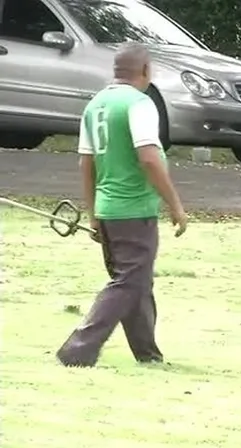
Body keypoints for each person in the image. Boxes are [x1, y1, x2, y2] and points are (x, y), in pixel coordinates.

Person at [55, 43, 188, 367]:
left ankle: (148, 354)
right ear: (145, 71)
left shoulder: (96, 105)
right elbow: (149, 158)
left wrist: (93, 212)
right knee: (130, 281)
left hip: (108, 208)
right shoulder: (139, 103)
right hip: (134, 209)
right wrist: (175, 204)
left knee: (136, 282)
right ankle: (77, 349)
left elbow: (86, 164)